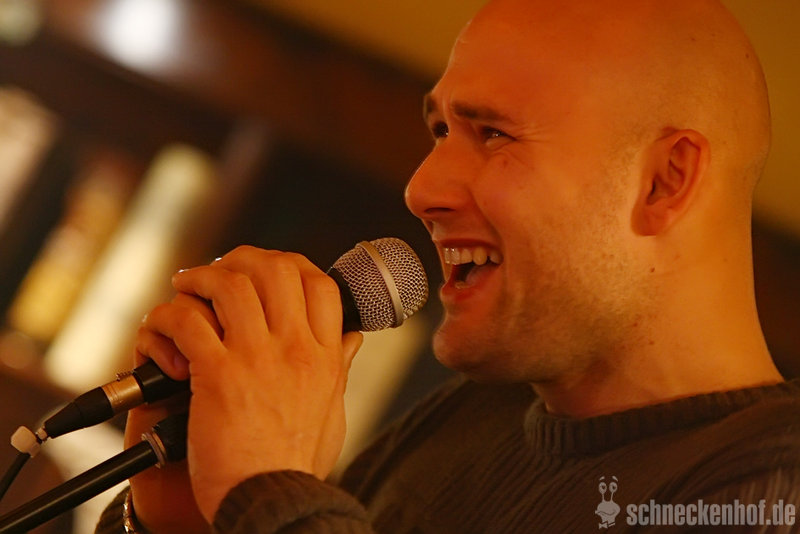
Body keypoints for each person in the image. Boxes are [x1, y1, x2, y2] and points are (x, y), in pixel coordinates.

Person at [97, 0, 800, 532]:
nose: (421, 188)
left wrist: (270, 487)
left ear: (665, 181)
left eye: (493, 133)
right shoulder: (473, 416)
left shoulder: (771, 491)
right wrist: (183, 522)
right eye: (440, 129)